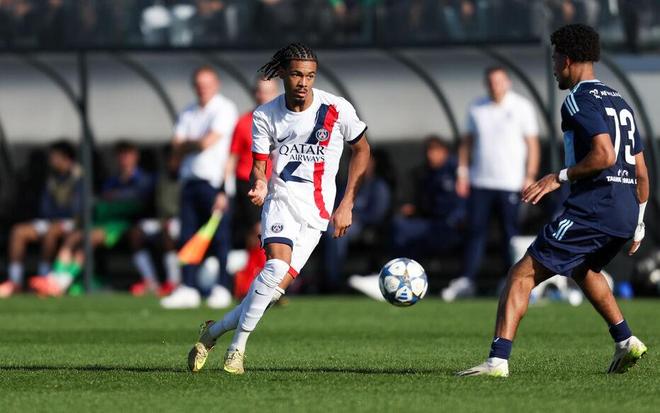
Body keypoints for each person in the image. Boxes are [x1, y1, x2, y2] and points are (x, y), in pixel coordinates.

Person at [458, 24, 649, 377]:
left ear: (567, 59)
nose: (553, 67)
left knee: (520, 275)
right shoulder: (621, 101)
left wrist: (557, 177)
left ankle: (497, 361)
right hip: (623, 210)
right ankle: (626, 340)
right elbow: (641, 172)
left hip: (594, 208)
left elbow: (604, 155)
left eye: (554, 58)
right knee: (584, 269)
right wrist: (638, 221)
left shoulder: (577, 99)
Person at [187, 43, 370, 375]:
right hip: (281, 201)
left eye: (310, 76)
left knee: (270, 293)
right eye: (297, 74)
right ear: (283, 73)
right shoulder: (264, 115)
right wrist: (259, 184)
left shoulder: (336, 108)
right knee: (273, 268)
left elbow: (362, 149)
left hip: (317, 213)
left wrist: (347, 203)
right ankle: (237, 350)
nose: (303, 82)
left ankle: (212, 333)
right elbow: (259, 167)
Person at [442, 65, 540, 301]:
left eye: (499, 81)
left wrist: (529, 176)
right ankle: (467, 280)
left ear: (508, 83)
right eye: (491, 82)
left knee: (510, 234)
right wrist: (462, 173)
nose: (495, 86)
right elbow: (467, 143)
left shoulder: (522, 107)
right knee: (475, 232)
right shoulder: (476, 107)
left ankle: (511, 281)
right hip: (480, 182)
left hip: (511, 183)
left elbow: (532, 145)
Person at [31, 141, 155, 296]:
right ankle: (55, 278)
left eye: (127, 154)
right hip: (105, 222)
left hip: (125, 224)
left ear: (135, 156)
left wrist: (115, 197)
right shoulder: (113, 180)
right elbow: (102, 199)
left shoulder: (144, 179)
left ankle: (62, 283)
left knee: (88, 238)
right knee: (74, 237)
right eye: (120, 155)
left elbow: (138, 200)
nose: (123, 158)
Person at [160, 65, 238, 309]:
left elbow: (206, 143)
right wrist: (191, 144)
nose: (203, 89)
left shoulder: (224, 108)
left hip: (214, 183)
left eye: (207, 84)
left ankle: (222, 287)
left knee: (220, 238)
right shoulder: (188, 111)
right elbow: (176, 144)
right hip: (190, 182)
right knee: (187, 237)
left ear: (216, 85)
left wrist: (188, 145)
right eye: (199, 85)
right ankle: (188, 287)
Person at [0, 140, 82, 298]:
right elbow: (45, 207)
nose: (52, 160)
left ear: (66, 158)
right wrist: (52, 217)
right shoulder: (51, 178)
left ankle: (43, 278)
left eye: (55, 157)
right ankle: (15, 281)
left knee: (52, 232)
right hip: (50, 220)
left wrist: (57, 217)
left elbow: (76, 209)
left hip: (72, 223)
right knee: (18, 232)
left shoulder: (79, 177)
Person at [229, 76, 278, 249]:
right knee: (258, 231)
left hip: (277, 183)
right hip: (249, 183)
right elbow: (232, 157)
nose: (264, 96)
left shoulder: (284, 121)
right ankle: (256, 264)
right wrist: (225, 189)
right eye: (260, 92)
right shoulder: (243, 123)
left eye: (268, 92)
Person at [130, 144, 182, 297]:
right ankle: (150, 281)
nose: (172, 162)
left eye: (175, 158)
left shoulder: (186, 177)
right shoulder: (160, 178)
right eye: (169, 159)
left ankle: (173, 281)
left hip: (181, 221)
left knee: (167, 232)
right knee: (135, 233)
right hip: (161, 220)